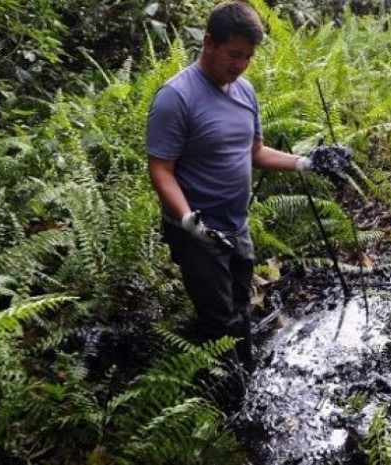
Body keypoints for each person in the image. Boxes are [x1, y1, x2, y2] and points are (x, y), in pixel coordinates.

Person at [145, 0, 317, 406]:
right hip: (196, 230)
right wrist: (189, 221)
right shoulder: (176, 98)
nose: (240, 65)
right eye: (233, 55)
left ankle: (244, 368)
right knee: (219, 316)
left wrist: (307, 162)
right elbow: (161, 169)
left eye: (248, 57)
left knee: (241, 298)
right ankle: (228, 396)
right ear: (208, 43)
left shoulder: (245, 91)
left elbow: (255, 152)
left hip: (236, 224)